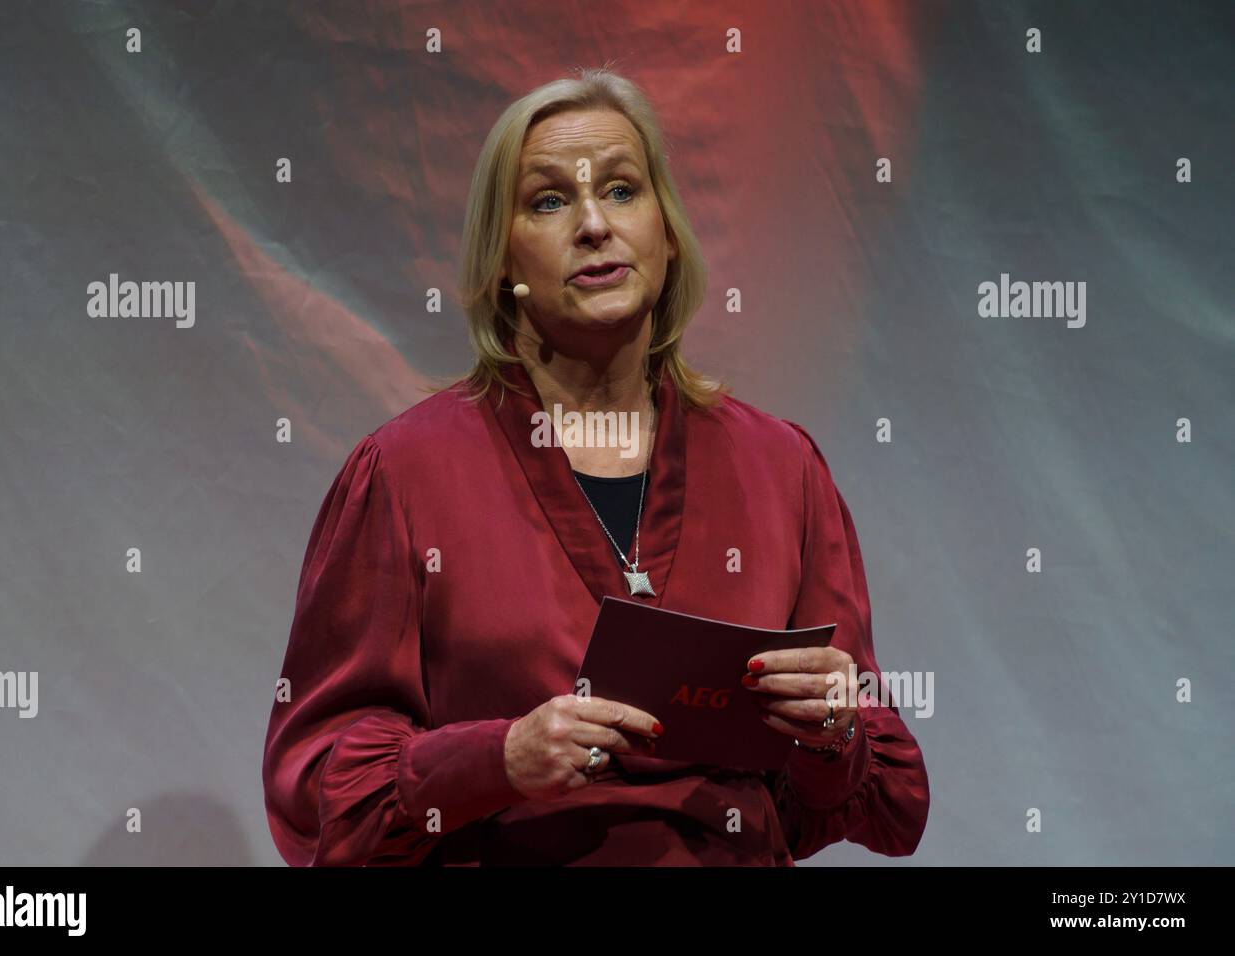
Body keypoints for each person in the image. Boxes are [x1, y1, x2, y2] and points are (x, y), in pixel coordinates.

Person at [261, 67, 930, 865]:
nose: (593, 225)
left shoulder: (780, 466)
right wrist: (497, 761)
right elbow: (315, 789)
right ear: (502, 260)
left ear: (668, 232)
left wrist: (833, 729)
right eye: (549, 200)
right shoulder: (404, 473)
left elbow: (879, 804)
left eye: (621, 190)